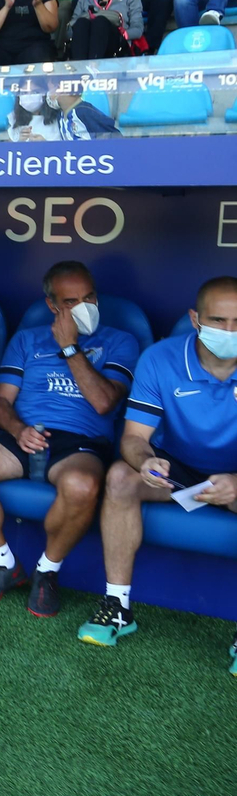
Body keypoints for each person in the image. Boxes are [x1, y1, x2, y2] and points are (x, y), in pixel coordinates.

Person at [0, 262, 139, 615]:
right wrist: (18, 429)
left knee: (81, 486)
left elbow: (103, 402)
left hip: (80, 440)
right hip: (24, 432)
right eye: (70, 301)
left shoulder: (119, 340)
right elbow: (1, 401)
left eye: (89, 297)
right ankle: (3, 562)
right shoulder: (27, 339)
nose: (84, 307)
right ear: (52, 306)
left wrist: (70, 348)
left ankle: (46, 571)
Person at [78, 277, 237, 658]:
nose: (230, 332)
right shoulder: (161, 357)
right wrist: (145, 461)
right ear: (195, 319)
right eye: (218, 321)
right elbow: (133, 438)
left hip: (234, 476)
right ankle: (117, 607)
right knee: (119, 477)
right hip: (176, 470)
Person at [7, 82, 121, 140]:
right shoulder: (61, 117)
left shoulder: (84, 111)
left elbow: (114, 136)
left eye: (53, 89)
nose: (49, 94)